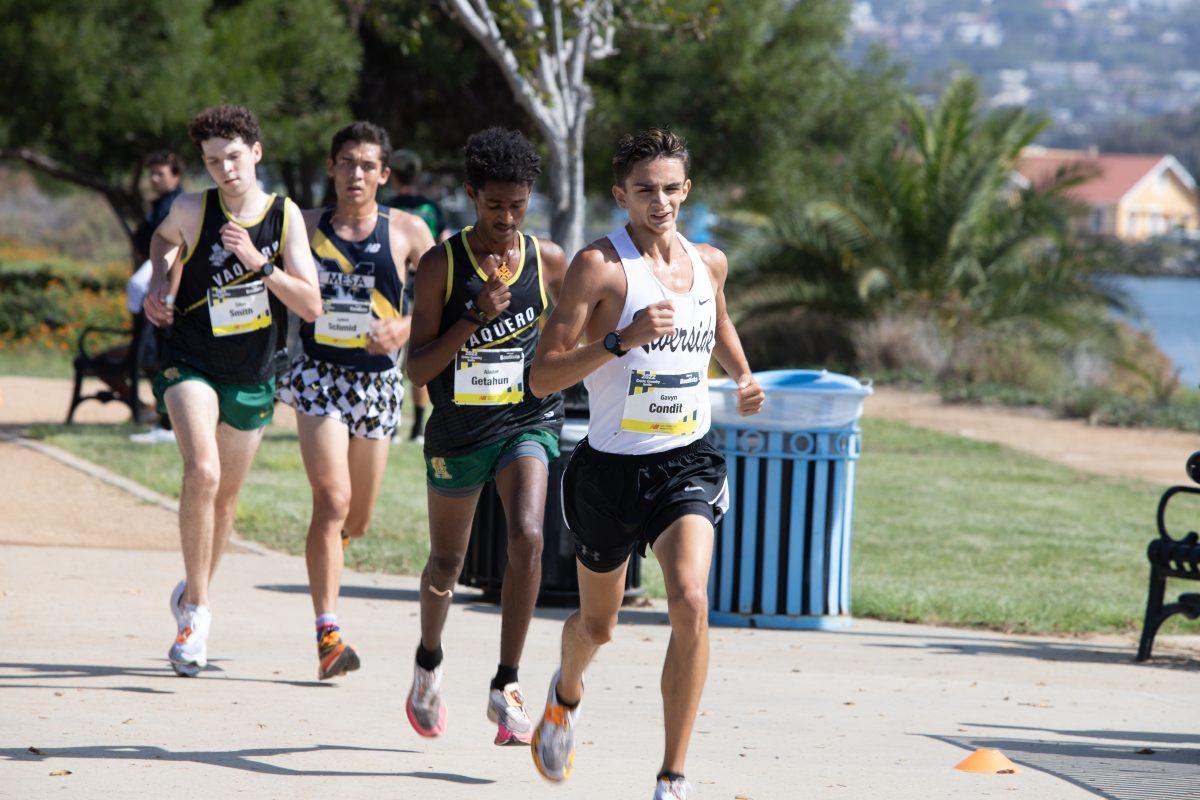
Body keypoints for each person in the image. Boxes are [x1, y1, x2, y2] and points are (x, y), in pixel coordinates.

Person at [526, 128, 765, 799]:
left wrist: (743, 375)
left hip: (687, 462)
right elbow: (543, 377)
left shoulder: (709, 261)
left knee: (691, 599)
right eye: (644, 190)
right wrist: (619, 339)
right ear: (620, 195)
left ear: (686, 190)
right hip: (608, 473)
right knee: (599, 625)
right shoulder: (598, 267)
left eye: (670, 188)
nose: (659, 202)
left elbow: (717, 322)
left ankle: (672, 775)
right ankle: (565, 694)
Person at [143, 104, 322, 677]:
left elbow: (312, 305)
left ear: (256, 152)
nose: (224, 169)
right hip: (189, 358)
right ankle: (196, 614)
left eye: (233, 157)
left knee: (224, 504)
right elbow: (163, 241)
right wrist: (161, 279)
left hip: (252, 371)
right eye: (213, 161)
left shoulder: (285, 217)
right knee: (204, 472)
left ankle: (194, 589)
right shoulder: (192, 207)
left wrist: (257, 262)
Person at [404, 127, 568, 745]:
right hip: (458, 429)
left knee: (528, 534)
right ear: (472, 194)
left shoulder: (548, 260)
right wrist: (475, 315)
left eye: (519, 205)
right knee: (447, 560)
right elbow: (417, 370)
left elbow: (572, 331)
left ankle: (507, 683)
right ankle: (427, 661)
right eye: (495, 204)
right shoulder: (440, 266)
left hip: (526, 419)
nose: (507, 217)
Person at [276, 121, 434, 680]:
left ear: (384, 174)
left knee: (357, 519)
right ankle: (329, 634)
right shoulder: (306, 225)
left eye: (368, 165)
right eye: (347, 162)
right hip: (318, 377)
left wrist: (407, 327)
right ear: (331, 167)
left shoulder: (408, 231)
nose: (356, 174)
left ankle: (330, 552)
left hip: (378, 385)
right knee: (332, 499)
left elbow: (448, 297)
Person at [385, 149, 449, 443]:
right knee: (420, 354)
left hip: (397, 287)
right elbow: (445, 242)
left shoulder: (387, 207)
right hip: (430, 288)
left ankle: (393, 424)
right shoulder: (433, 208)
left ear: (393, 175)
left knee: (394, 359)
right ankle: (418, 428)